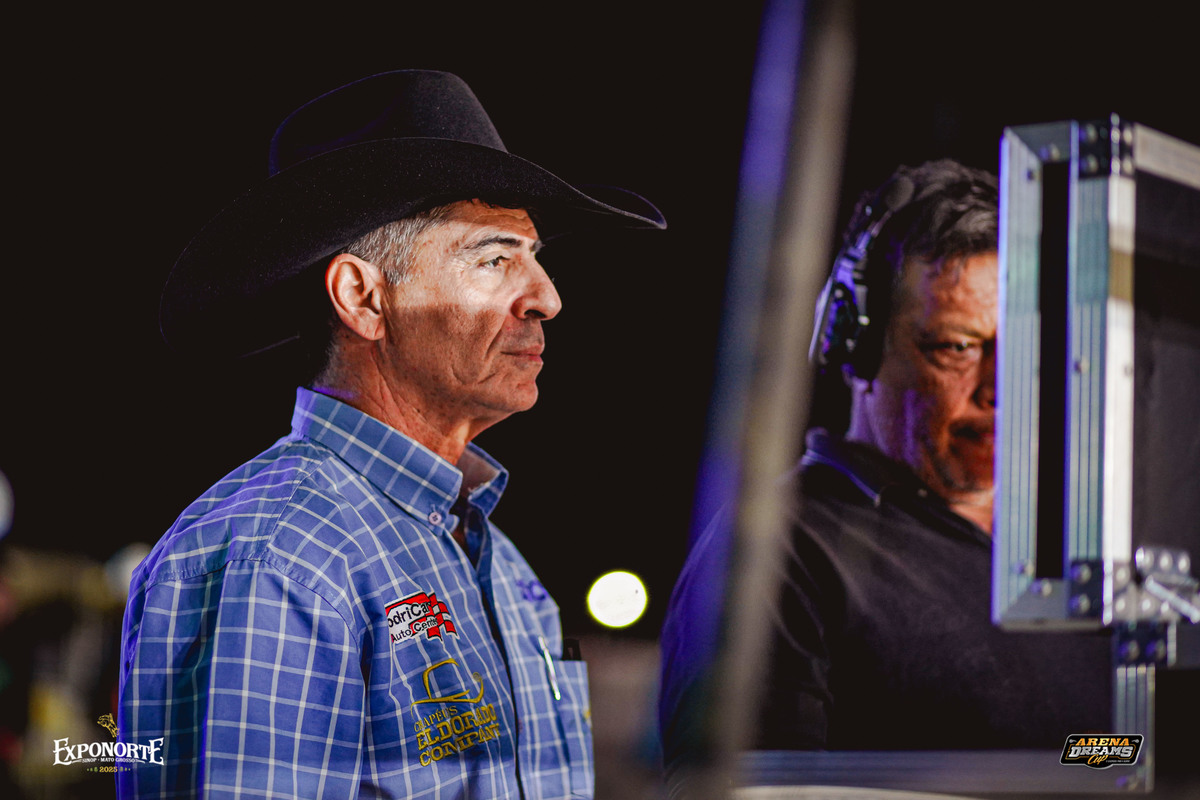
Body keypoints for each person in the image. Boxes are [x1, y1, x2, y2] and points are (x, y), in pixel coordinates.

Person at [118, 70, 664, 799]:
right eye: (495, 259)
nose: (547, 298)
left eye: (536, 259)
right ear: (363, 298)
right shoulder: (276, 557)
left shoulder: (506, 572)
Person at [658, 159, 1111, 775]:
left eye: (1027, 350)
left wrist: (1103, 765)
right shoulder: (773, 552)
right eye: (957, 347)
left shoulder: (1080, 550)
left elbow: (1104, 756)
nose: (1002, 389)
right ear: (856, 345)